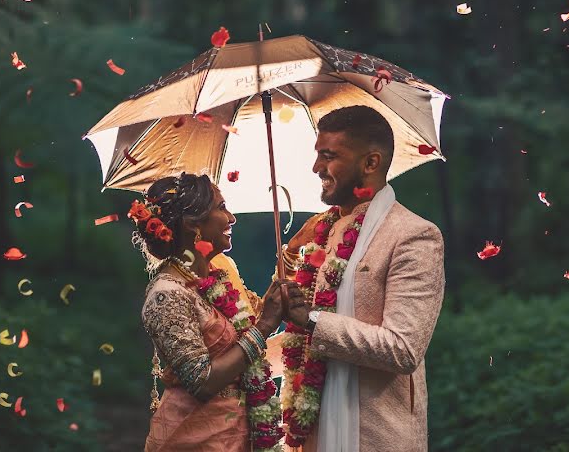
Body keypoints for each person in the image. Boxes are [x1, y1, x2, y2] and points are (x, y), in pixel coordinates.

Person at [278, 105, 446, 451]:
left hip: (373, 435)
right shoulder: (319, 230)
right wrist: (291, 251)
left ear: (370, 163)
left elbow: (402, 349)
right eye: (317, 155)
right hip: (312, 434)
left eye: (328, 156)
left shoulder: (413, 236)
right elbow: (292, 328)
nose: (315, 168)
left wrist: (312, 320)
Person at [133, 172, 288, 452]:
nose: (232, 218)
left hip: (240, 435)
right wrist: (265, 326)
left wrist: (283, 285)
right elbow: (202, 382)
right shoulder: (166, 294)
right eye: (221, 207)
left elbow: (250, 325)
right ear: (193, 225)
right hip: (193, 439)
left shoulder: (221, 270)